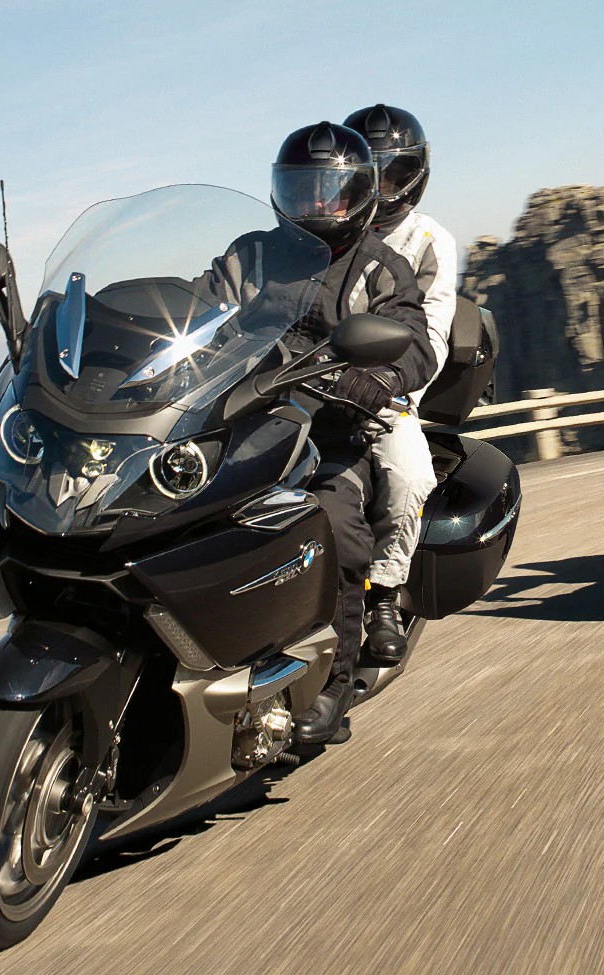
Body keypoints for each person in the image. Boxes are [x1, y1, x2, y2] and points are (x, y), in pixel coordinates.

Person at [217, 121, 436, 744]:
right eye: (303, 189)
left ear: (361, 194)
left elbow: (414, 342)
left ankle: (331, 685)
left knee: (333, 528)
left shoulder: (381, 267)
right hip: (241, 423)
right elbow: (198, 305)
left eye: (332, 191)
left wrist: (380, 378)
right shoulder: (250, 256)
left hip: (330, 436)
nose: (317, 204)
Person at [340, 103, 459, 664]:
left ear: (416, 175)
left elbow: (431, 332)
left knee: (409, 476)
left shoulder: (429, 239)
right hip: (307, 379)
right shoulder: (329, 226)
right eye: (372, 174)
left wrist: (387, 382)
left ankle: (385, 594)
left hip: (384, 389)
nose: (384, 187)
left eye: (396, 174)